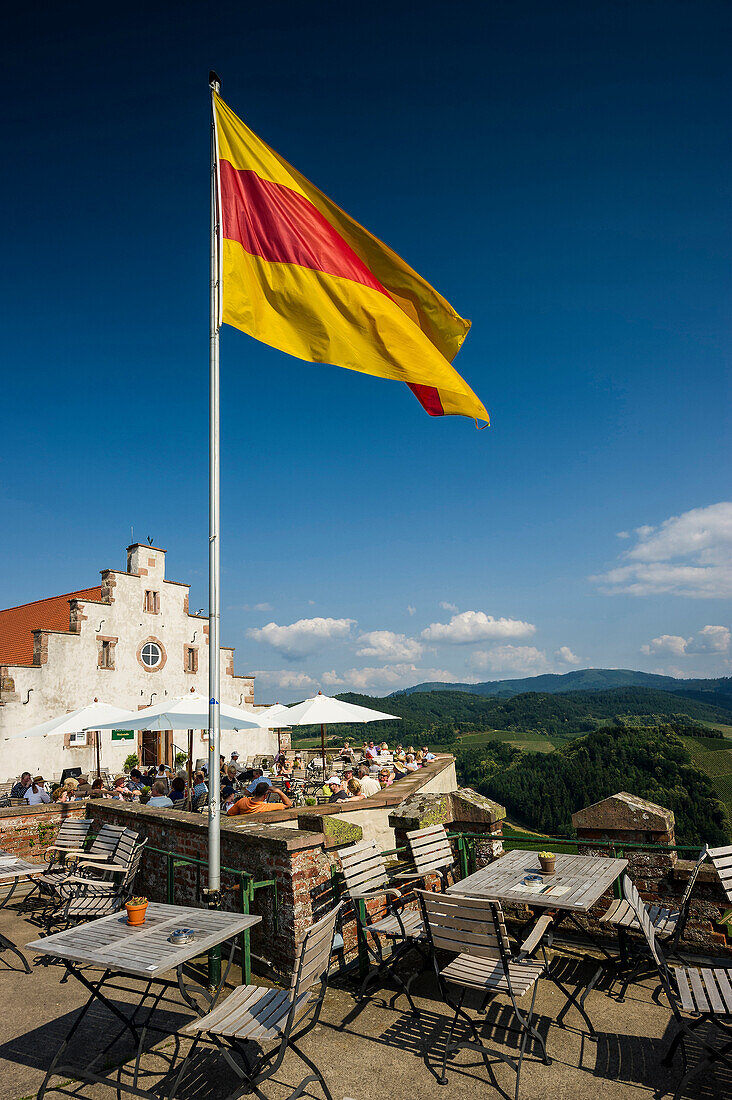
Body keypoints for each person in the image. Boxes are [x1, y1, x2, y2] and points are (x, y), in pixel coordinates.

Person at [227, 782, 292, 816]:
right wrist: (278, 791)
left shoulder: (242, 801)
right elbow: (288, 804)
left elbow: (229, 813)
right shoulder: (266, 807)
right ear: (265, 796)